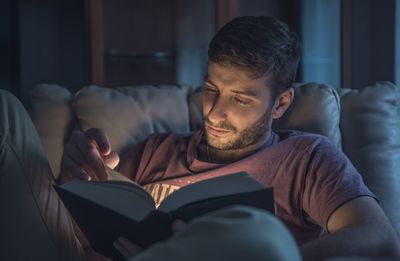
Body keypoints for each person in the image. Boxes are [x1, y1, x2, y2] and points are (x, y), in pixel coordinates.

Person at [0, 16, 398, 261]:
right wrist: (74, 176)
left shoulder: (306, 156)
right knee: (5, 110)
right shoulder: (160, 148)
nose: (214, 112)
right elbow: (80, 231)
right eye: (211, 90)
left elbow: (378, 238)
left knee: (257, 234)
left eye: (240, 98)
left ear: (280, 104)